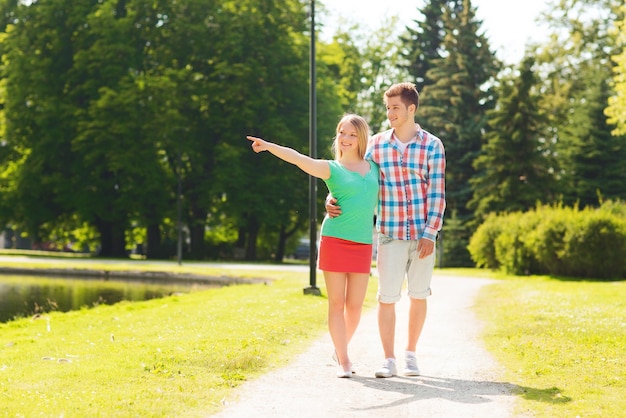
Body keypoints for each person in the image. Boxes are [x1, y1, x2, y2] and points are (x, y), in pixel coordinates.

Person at [326, 82, 446, 378]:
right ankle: (389, 359)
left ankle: (410, 355)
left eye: (395, 108)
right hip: (389, 234)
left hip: (422, 237)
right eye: (387, 108)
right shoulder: (377, 144)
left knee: (419, 295)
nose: (390, 113)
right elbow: (351, 174)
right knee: (386, 298)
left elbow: (438, 193)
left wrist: (431, 233)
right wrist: (331, 197)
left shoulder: (432, 145)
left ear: (411, 109)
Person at [246, 113, 379, 378]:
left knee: (355, 306)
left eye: (352, 134)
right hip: (335, 241)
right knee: (336, 303)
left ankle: (339, 348)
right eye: (342, 132)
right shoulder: (332, 168)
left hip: (363, 243)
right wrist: (270, 146)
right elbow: (298, 158)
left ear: (362, 137)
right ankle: (344, 360)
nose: (346, 138)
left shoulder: (375, 166)